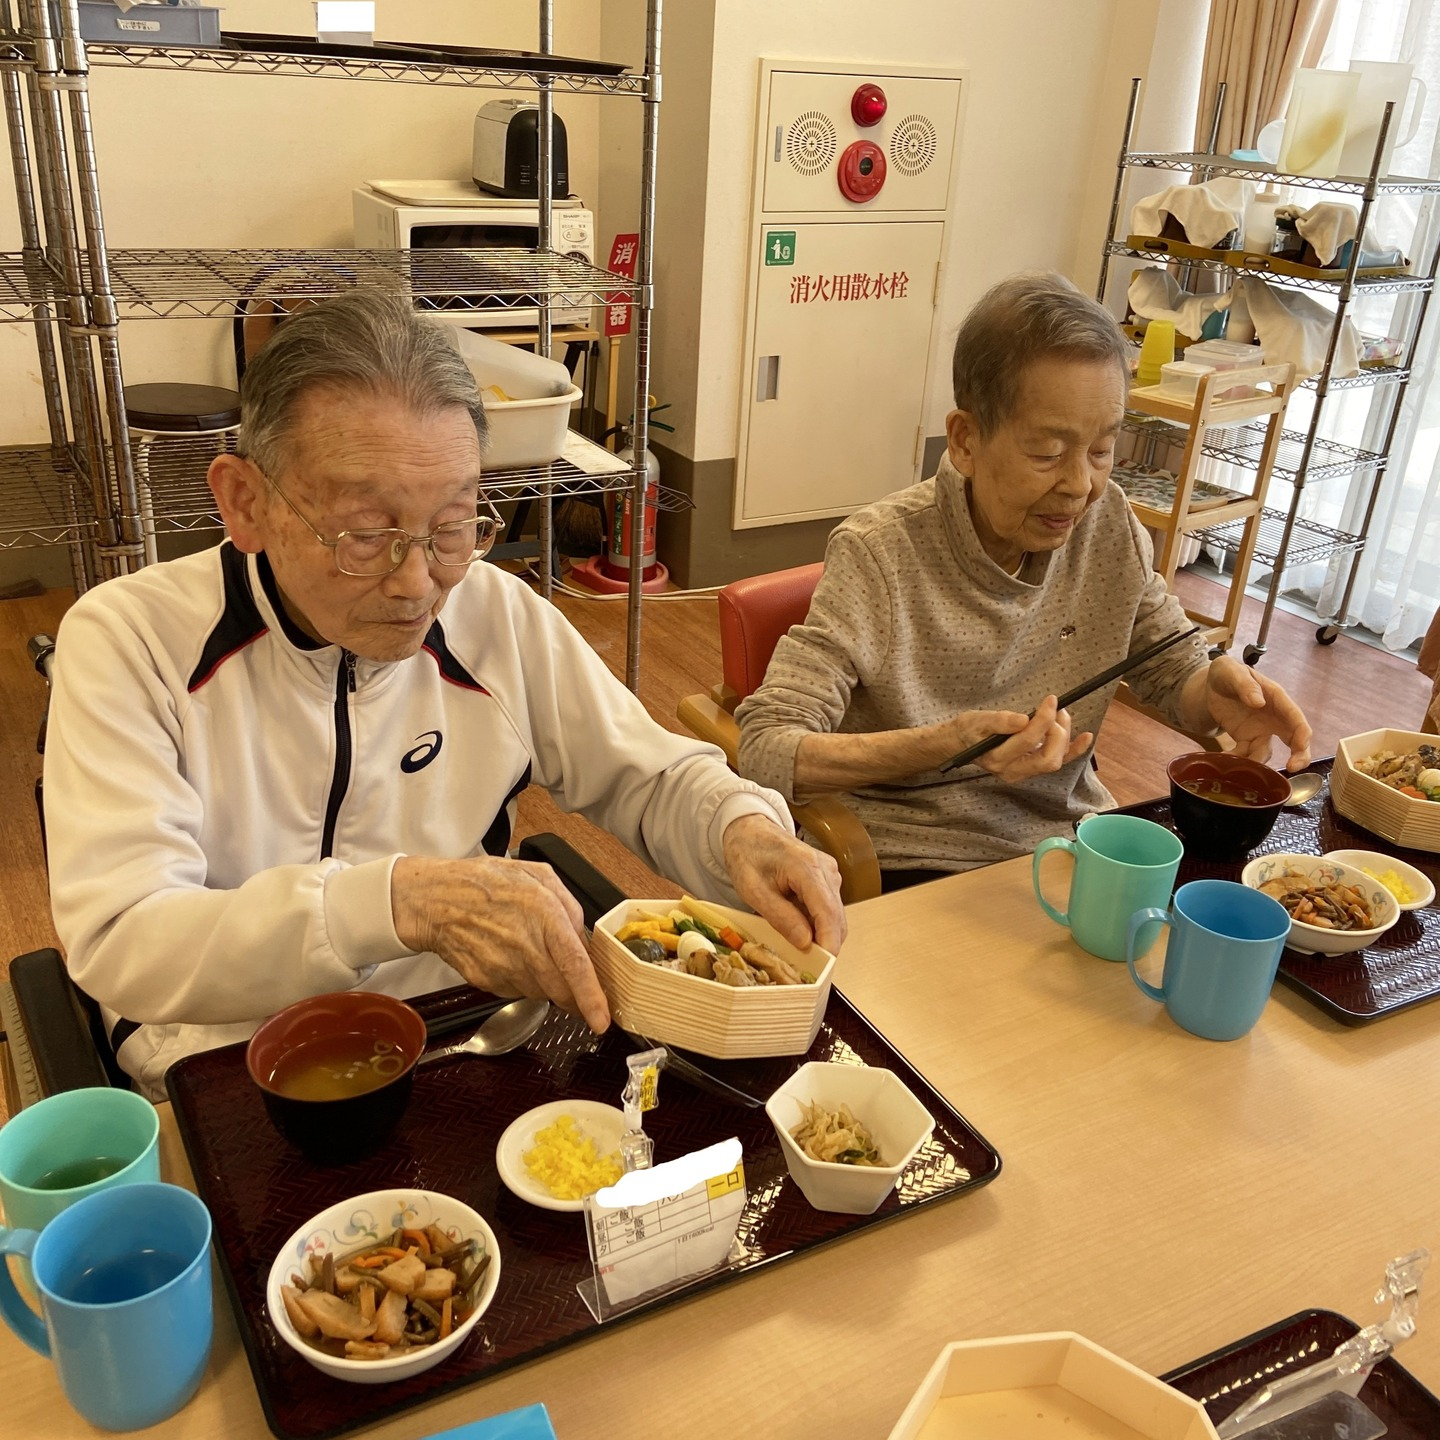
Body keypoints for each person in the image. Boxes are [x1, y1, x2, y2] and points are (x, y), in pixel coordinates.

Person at [44, 290, 844, 1098]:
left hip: (463, 1034)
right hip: (226, 1062)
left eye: (455, 524)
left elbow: (651, 774)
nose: (419, 581)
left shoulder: (493, 614)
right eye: (365, 532)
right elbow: (122, 935)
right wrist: (395, 903)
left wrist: (741, 826)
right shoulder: (130, 639)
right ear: (246, 502)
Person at [736, 272, 1313, 889]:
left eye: (1100, 449)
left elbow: (1171, 666)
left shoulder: (1108, 524)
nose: (1080, 485)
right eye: (1047, 451)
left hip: (1063, 847)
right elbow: (767, 747)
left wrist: (1211, 692)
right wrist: (945, 743)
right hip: (906, 861)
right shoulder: (880, 553)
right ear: (966, 439)